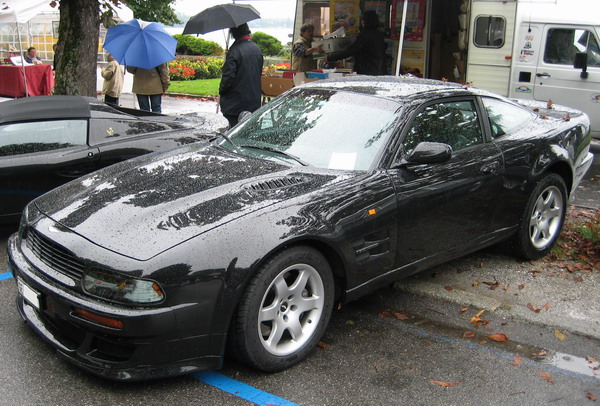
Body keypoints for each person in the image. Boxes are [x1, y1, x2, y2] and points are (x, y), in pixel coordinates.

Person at [219, 23, 264, 128]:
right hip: (253, 102)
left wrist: (222, 91)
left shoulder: (235, 50)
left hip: (235, 103)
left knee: (232, 135)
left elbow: (228, 78)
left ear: (234, 33)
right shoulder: (257, 49)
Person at [324, 10, 386, 75]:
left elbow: (350, 51)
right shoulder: (378, 34)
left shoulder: (365, 35)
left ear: (365, 21)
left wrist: (330, 57)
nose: (362, 22)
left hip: (369, 72)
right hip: (379, 70)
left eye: (363, 20)